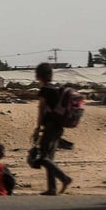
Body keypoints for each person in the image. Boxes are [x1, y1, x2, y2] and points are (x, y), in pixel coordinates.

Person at [32, 62, 73, 195]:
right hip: (58, 127)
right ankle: (52, 188)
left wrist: (37, 128)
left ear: (39, 75)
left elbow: (41, 110)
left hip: (50, 127)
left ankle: (64, 178)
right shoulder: (56, 89)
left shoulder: (45, 90)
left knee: (43, 157)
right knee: (49, 158)